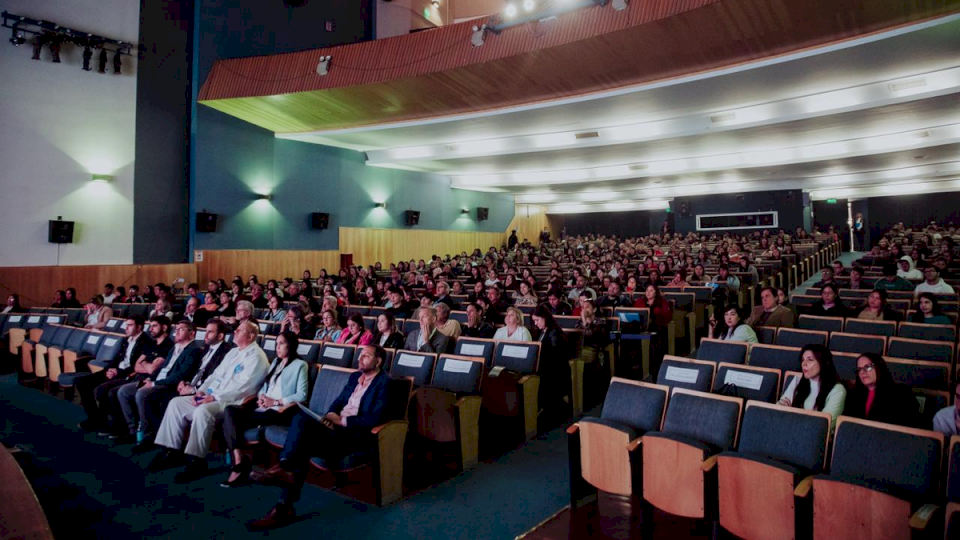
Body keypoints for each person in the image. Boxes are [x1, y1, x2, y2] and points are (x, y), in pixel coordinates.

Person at [247, 345, 390, 530]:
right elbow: (339, 401)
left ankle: (284, 481)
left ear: (378, 361)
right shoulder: (355, 376)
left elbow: (376, 418)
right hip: (333, 429)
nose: (360, 358)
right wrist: (330, 414)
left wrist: (342, 421)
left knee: (301, 437)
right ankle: (283, 501)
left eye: (366, 356)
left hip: (352, 435)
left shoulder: (384, 382)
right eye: (360, 354)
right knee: (301, 424)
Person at [149, 321, 269, 483]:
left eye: (239, 330)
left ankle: (196, 460)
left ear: (251, 336)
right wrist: (202, 391)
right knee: (176, 403)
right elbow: (215, 375)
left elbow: (244, 387)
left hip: (232, 402)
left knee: (202, 411)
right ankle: (171, 451)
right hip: (213, 396)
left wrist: (213, 397)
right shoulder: (233, 352)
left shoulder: (257, 356)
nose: (235, 332)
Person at [221, 331, 309, 487]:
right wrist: (262, 397)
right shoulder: (275, 362)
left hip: (280, 411)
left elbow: (301, 395)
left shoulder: (300, 365)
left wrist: (275, 402)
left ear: (291, 345)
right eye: (276, 344)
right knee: (229, 411)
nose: (278, 347)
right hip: (263, 406)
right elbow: (264, 386)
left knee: (233, 420)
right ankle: (239, 459)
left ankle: (238, 465)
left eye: (281, 343)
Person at [115, 320, 204, 445]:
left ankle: (148, 436)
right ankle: (133, 431)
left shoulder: (193, 350)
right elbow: (163, 368)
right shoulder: (175, 347)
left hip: (169, 385)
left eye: (181, 329)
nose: (176, 332)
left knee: (142, 394)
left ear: (191, 334)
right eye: (176, 329)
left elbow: (180, 376)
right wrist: (150, 379)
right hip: (157, 380)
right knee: (124, 391)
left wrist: (153, 384)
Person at [74, 317, 150, 433]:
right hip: (115, 370)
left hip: (127, 374)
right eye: (126, 325)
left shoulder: (146, 342)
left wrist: (117, 372)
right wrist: (111, 369)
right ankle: (94, 418)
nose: (126, 328)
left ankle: (111, 422)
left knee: (101, 390)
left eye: (130, 325)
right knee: (81, 382)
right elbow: (117, 357)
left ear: (139, 327)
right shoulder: (126, 340)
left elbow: (136, 365)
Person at [777, 344, 846, 428]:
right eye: (803, 360)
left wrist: (791, 414)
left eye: (810, 360)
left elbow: (822, 426)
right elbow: (780, 408)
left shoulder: (837, 390)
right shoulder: (797, 380)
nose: (804, 364)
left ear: (823, 362)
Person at [843, 353, 919, 428]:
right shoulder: (853, 395)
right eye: (859, 369)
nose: (862, 372)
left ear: (879, 367)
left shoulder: (902, 393)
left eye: (868, 367)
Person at [531, 305, 569, 418]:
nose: (535, 323)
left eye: (537, 320)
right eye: (534, 321)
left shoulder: (554, 333)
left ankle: (539, 407)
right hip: (547, 364)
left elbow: (556, 356)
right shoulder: (543, 331)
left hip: (556, 368)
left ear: (545, 317)